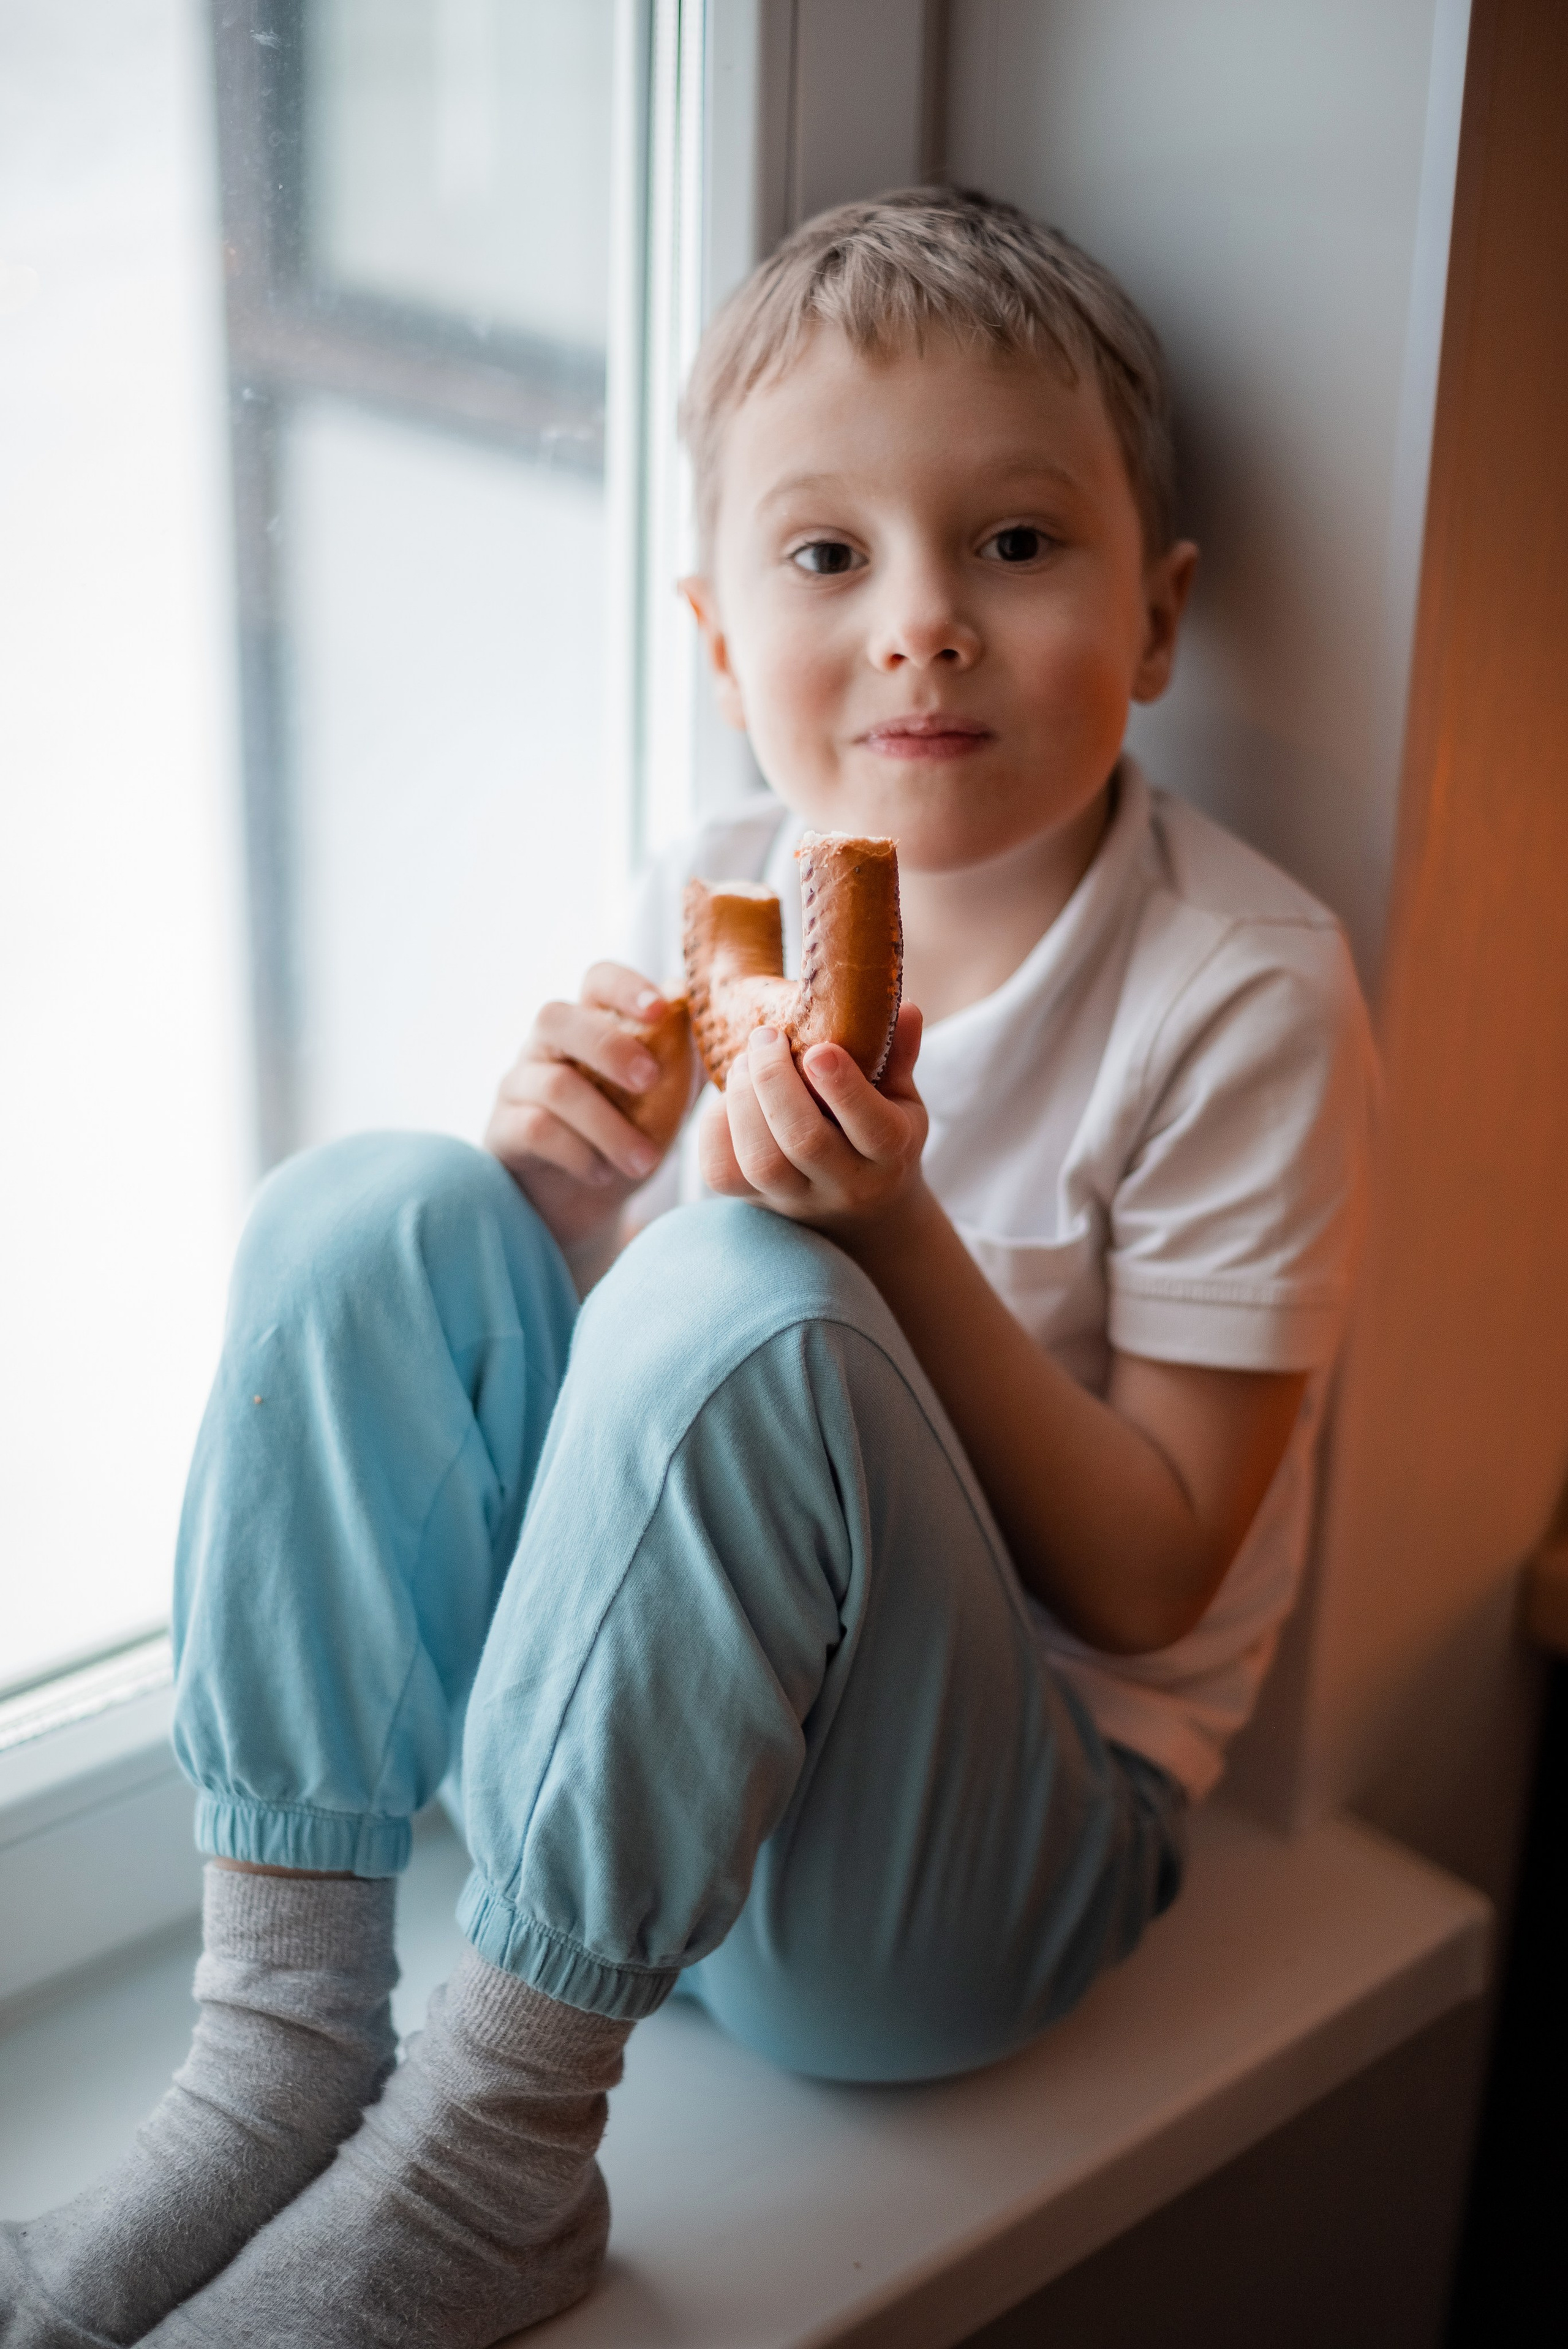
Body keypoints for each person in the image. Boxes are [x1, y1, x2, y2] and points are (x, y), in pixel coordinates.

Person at [1, 186, 1376, 2348]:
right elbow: (634, 1420)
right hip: (624, 1803)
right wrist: (556, 1217)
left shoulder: (1239, 994)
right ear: (723, 640)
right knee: (376, 1208)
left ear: (1163, 613)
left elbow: (1153, 1578)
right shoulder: (720, 880)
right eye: (829, 556)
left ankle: (493, 2161)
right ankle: (285, 2040)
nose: (920, 622)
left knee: (755, 1302)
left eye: (1015, 545)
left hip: (942, 1885)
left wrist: (884, 1234)